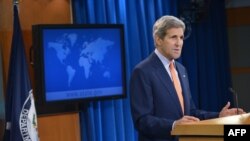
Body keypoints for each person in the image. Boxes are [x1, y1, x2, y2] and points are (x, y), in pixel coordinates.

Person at [129, 15, 245, 141]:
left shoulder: (181, 69)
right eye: (173, 37)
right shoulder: (142, 71)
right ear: (158, 39)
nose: (179, 43)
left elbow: (190, 112)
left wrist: (219, 115)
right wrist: (174, 125)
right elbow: (142, 120)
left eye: (181, 38)